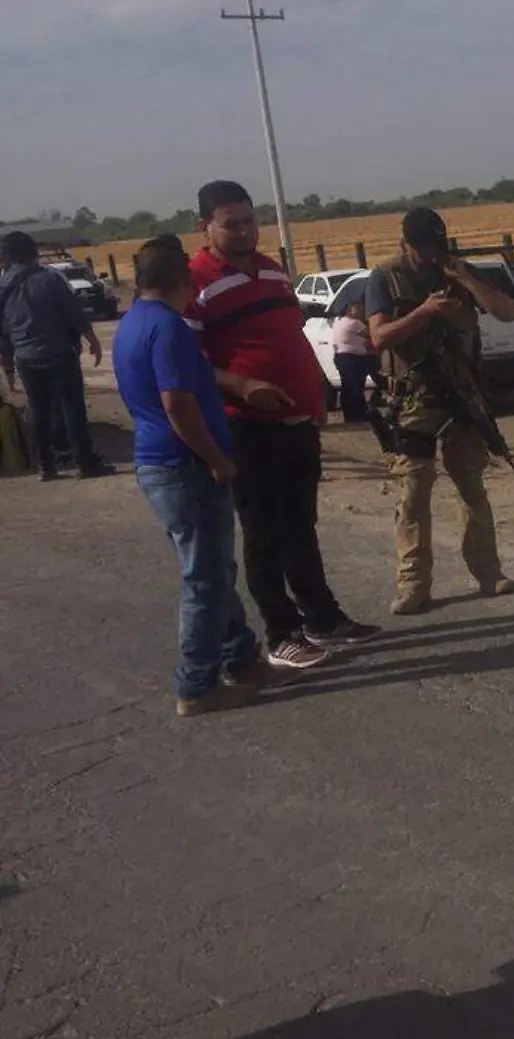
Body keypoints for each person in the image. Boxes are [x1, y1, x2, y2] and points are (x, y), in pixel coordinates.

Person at [190, 180, 382, 668]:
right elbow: (186, 362)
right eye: (230, 224)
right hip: (246, 425)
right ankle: (281, 634)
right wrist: (240, 384)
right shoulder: (195, 282)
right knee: (263, 530)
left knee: (301, 524)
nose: (243, 231)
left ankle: (322, 617)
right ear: (204, 227)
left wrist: (317, 391)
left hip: (298, 420)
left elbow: (293, 339)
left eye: (249, 220)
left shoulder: (274, 273)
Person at [114, 237, 293, 715]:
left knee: (214, 569)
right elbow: (177, 403)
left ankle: (241, 657)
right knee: (205, 581)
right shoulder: (168, 329)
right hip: (184, 467)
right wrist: (215, 457)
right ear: (185, 281)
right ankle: (196, 683)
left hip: (161, 464)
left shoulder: (131, 323)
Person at [364, 208, 514, 615]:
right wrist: (424, 313)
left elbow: (507, 311)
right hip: (414, 401)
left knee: (471, 486)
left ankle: (488, 572)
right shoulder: (385, 277)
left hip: (462, 396)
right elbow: (378, 337)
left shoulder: (456, 271)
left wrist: (465, 278)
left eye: (438, 247)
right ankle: (413, 584)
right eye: (424, 249)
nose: (432, 257)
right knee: (414, 492)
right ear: (405, 245)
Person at [0, 230, 115, 481]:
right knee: (72, 408)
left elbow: (3, 329)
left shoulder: (3, 286)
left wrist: (7, 360)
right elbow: (73, 312)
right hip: (59, 353)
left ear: (8, 256)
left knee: (38, 410)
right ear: (34, 252)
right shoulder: (50, 279)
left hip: (26, 358)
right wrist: (92, 339)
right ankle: (85, 463)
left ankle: (46, 466)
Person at [330, 302, 382, 424]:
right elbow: (372, 334)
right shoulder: (355, 323)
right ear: (349, 310)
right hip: (352, 358)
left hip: (343, 358)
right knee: (354, 388)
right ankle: (357, 415)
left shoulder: (340, 322)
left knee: (349, 387)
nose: (361, 311)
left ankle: (352, 415)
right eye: (358, 309)